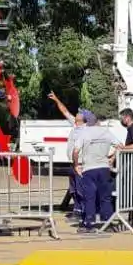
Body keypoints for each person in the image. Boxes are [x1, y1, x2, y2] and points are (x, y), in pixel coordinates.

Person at [71, 110, 116, 231]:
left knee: (89, 197)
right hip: (104, 168)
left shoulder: (84, 133)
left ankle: (89, 224)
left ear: (88, 122)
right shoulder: (106, 132)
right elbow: (119, 145)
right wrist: (112, 157)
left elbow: (75, 151)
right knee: (105, 197)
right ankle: (108, 224)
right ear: (97, 121)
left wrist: (76, 165)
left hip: (89, 169)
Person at [48, 91, 83, 219]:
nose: (77, 114)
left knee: (80, 188)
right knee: (73, 188)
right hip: (72, 163)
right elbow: (65, 111)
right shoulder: (75, 123)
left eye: (80, 113)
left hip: (80, 164)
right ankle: (77, 209)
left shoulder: (86, 129)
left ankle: (80, 211)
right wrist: (56, 99)